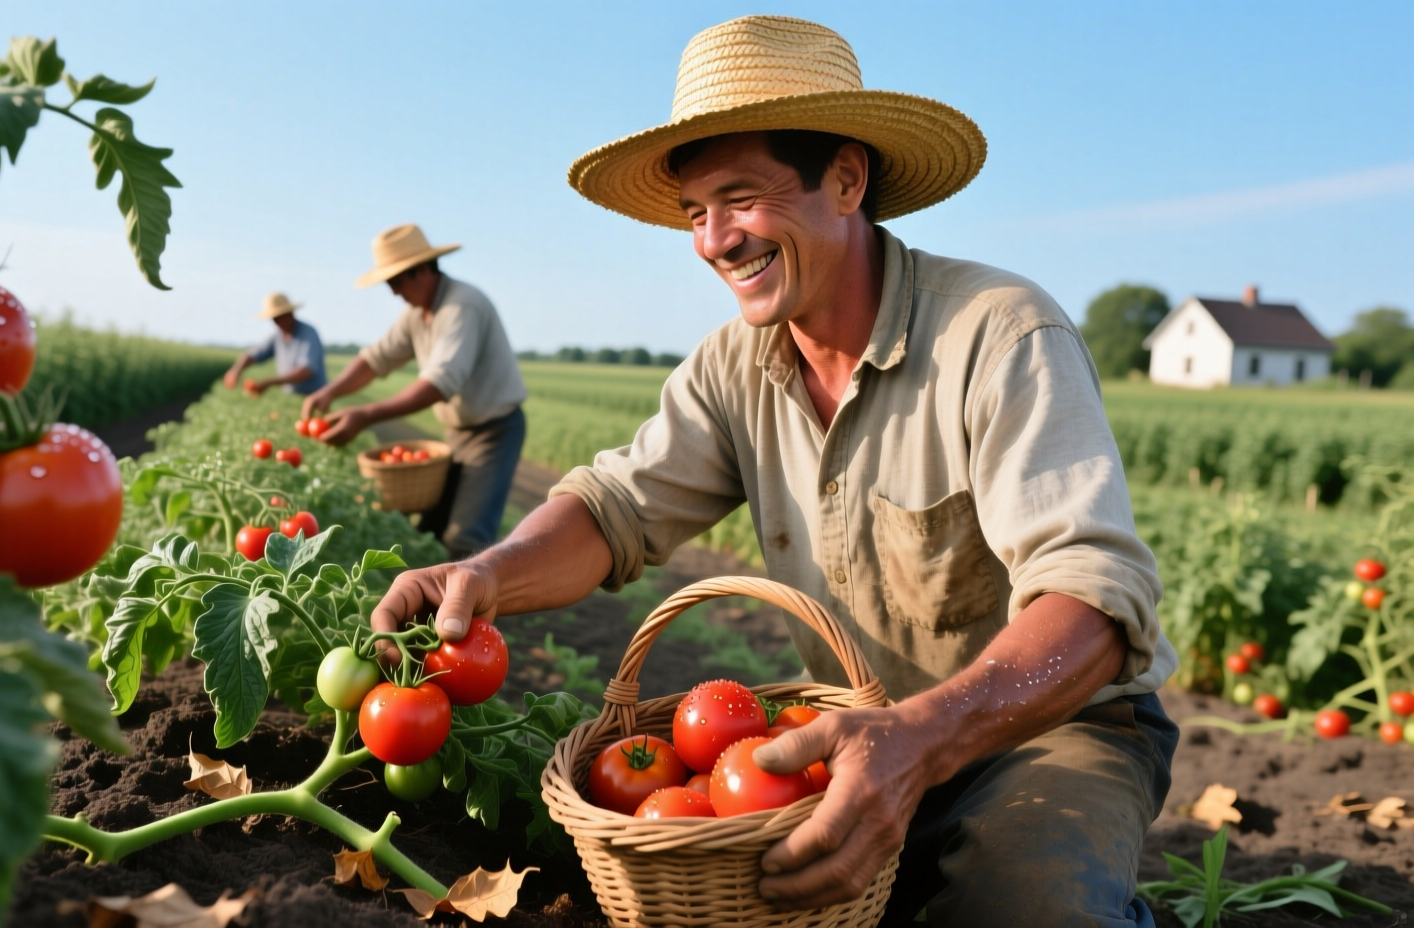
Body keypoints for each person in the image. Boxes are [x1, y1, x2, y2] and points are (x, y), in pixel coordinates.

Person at [369, 15, 1179, 928]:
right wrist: (485, 574)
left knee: (1022, 910)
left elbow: (1096, 602)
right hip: (839, 739)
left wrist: (919, 740)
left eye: (741, 199)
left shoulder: (996, 331)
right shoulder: (734, 365)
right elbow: (613, 510)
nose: (715, 241)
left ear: (845, 178)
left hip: (1043, 728)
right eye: (694, 213)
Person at [303, 224, 527, 559]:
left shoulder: (461, 306)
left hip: (494, 431)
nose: (393, 292)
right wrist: (329, 392)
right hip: (457, 431)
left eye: (395, 281)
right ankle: (432, 606)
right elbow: (375, 358)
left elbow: (440, 383)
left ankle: (474, 607)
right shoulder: (416, 314)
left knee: (465, 538)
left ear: (422, 270)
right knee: (431, 527)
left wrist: (365, 414)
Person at [223, 292, 327, 396]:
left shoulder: (308, 332)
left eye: (283, 316)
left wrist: (269, 382)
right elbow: (254, 354)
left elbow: (306, 371)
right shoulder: (277, 336)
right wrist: (236, 370)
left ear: (291, 312)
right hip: (290, 394)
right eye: (276, 318)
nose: (280, 321)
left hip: (315, 395)